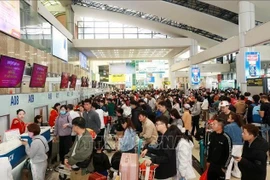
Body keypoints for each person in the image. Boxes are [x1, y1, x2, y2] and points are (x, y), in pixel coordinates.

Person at [53, 105, 73, 170]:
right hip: (61, 136)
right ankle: (62, 162)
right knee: (61, 150)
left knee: (67, 150)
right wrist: (55, 135)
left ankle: (68, 163)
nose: (62, 111)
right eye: (61, 109)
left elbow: (72, 124)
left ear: (66, 110)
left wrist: (67, 124)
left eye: (63, 109)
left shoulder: (68, 116)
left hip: (67, 136)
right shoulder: (58, 117)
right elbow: (56, 127)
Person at [224, 113, 243, 179]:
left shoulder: (228, 126)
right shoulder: (240, 126)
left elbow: (224, 135)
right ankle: (238, 173)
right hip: (240, 144)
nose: (228, 118)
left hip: (232, 145)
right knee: (237, 160)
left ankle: (227, 175)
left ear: (233, 119)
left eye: (229, 117)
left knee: (229, 161)